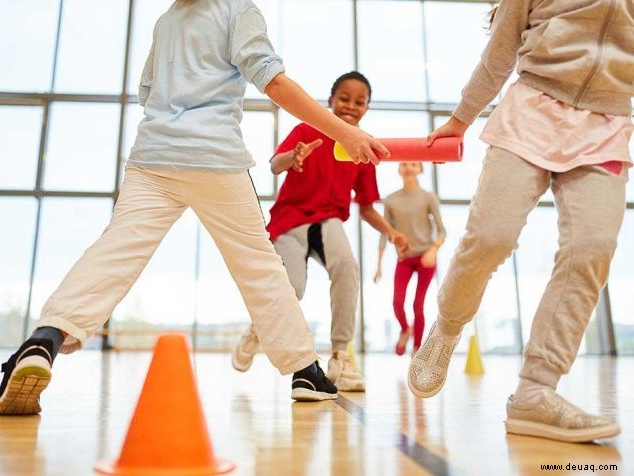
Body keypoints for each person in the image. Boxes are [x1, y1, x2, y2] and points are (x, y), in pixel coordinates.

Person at [0, 0, 391, 415]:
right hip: (214, 158)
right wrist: (346, 131)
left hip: (152, 158)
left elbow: (147, 90)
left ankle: (43, 341)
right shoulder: (238, 10)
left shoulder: (168, 19)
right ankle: (305, 370)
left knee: (112, 255)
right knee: (260, 267)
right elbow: (271, 81)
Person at [408, 0, 632, 443]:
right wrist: (461, 119)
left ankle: (535, 390)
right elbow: (501, 50)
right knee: (491, 237)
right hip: (533, 107)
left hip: (607, 124)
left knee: (591, 251)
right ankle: (449, 325)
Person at [231, 71, 408, 392]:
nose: (351, 106)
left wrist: (391, 232)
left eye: (359, 102)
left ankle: (340, 355)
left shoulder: (363, 149)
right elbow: (275, 165)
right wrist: (293, 156)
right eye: (344, 98)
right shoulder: (306, 129)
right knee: (292, 289)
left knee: (347, 269)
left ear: (367, 107)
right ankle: (258, 329)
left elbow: (366, 207)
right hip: (291, 219)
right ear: (330, 101)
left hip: (329, 222)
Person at [374, 162, 445, 356]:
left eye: (414, 164)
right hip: (404, 258)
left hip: (425, 258)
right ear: (399, 169)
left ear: (420, 169)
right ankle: (405, 330)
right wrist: (379, 264)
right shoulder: (391, 200)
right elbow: (384, 232)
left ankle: (416, 349)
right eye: (404, 164)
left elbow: (441, 231)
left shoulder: (428, 197)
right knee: (397, 302)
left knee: (418, 304)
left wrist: (434, 250)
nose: (408, 168)